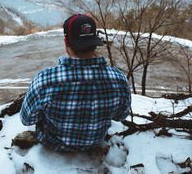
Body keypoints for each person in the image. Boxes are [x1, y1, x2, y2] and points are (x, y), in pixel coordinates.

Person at [20, 14, 131, 152]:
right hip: (95, 143)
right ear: (95, 42)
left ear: (66, 42)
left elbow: (27, 119)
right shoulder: (119, 79)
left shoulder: (45, 80)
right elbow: (120, 116)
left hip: (52, 144)